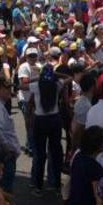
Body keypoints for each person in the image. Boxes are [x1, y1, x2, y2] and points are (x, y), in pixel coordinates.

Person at [29, 64, 63, 197]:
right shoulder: (58, 84)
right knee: (56, 153)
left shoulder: (36, 86)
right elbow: (68, 77)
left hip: (40, 120)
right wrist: (55, 75)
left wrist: (38, 77)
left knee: (40, 154)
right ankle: (57, 186)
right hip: (55, 119)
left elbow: (22, 85)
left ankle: (38, 186)